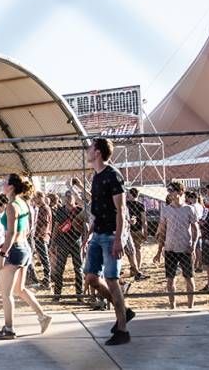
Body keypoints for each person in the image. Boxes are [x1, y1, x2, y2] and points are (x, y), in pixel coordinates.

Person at [83, 138, 135, 346]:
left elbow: (121, 210)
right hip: (98, 235)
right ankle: (124, 310)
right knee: (91, 278)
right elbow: (99, 211)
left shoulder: (113, 175)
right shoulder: (95, 177)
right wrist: (90, 232)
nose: (87, 150)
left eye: (90, 148)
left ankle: (122, 331)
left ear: (97, 152)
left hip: (112, 235)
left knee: (112, 280)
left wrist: (119, 240)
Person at [0, 174, 51, 340]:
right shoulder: (23, 203)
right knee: (20, 289)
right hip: (24, 248)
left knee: (6, 294)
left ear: (11, 187)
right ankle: (43, 316)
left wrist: (2, 253)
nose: (3, 185)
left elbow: (11, 233)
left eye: (5, 183)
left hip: (15, 249)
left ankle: (8, 328)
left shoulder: (11, 205)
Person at [153, 182, 199, 309]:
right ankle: (172, 306)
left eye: (172, 190)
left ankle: (191, 306)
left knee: (189, 277)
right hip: (170, 248)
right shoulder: (166, 210)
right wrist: (158, 251)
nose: (170, 193)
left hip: (185, 248)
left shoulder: (189, 209)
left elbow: (196, 229)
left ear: (180, 192)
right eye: (169, 190)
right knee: (170, 279)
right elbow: (162, 231)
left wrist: (193, 246)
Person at [51, 191, 87, 302]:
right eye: (66, 197)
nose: (68, 199)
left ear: (74, 198)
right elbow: (56, 226)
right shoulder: (60, 210)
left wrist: (85, 241)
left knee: (78, 268)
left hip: (76, 241)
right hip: (63, 242)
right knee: (59, 268)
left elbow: (85, 227)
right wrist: (52, 242)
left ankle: (79, 295)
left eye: (70, 197)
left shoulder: (79, 210)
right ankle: (57, 294)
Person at [126, 189, 149, 281]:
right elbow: (144, 220)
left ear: (131, 194)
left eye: (129, 194)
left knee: (131, 251)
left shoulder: (126, 204)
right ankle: (137, 269)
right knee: (136, 250)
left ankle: (135, 269)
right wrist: (145, 231)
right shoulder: (140, 205)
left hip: (129, 230)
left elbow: (144, 219)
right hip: (137, 230)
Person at [32, 192, 52, 290]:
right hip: (39, 237)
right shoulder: (41, 208)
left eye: (36, 198)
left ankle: (47, 280)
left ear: (40, 197)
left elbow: (45, 224)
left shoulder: (45, 208)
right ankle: (46, 279)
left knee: (45, 259)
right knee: (43, 259)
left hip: (42, 237)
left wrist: (38, 236)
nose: (35, 200)